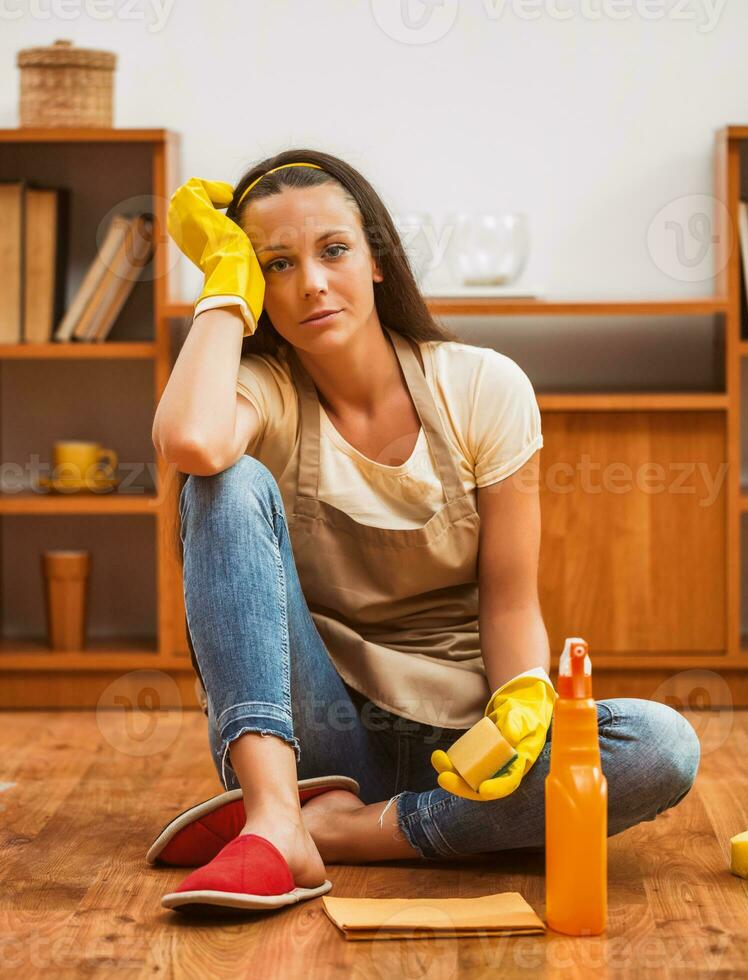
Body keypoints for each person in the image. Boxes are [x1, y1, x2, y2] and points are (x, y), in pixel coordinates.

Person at [150, 151, 701, 913]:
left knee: (661, 746)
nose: (310, 282)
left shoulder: (480, 386)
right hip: (322, 746)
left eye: (333, 250)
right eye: (275, 263)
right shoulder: (263, 393)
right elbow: (192, 444)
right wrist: (219, 285)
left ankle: (346, 834)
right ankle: (280, 817)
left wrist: (523, 702)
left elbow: (509, 603)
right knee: (225, 477)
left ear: (377, 258)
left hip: (468, 750)